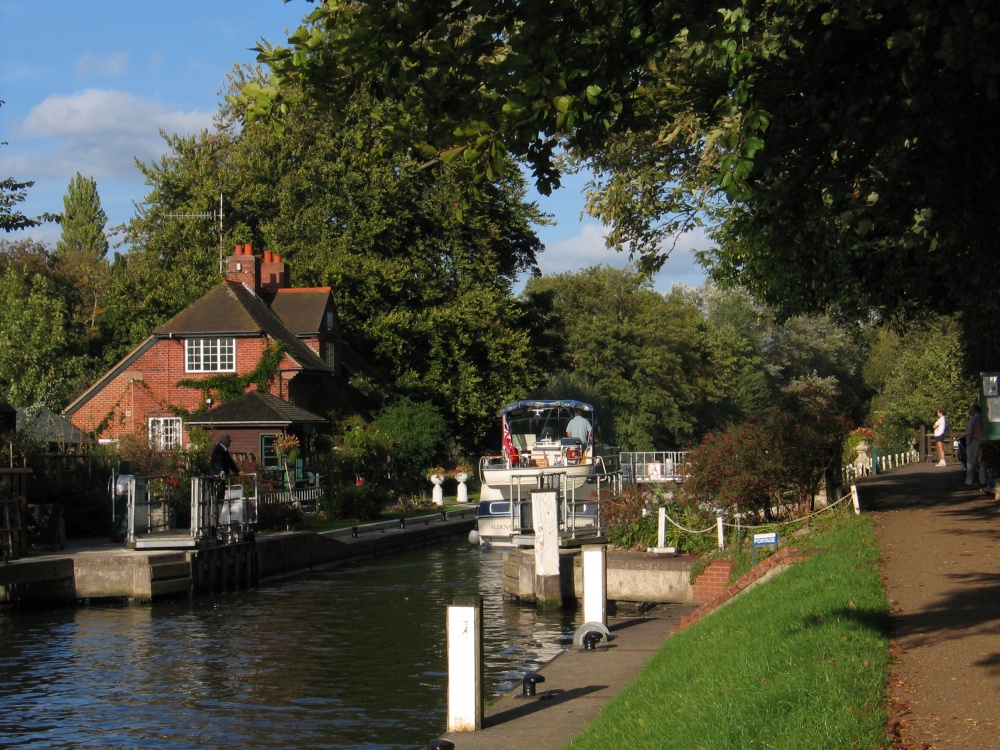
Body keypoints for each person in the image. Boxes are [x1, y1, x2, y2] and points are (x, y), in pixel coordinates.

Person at [965, 404, 985, 486]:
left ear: (974, 410)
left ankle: (969, 481)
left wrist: (968, 441)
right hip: (983, 440)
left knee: (971, 461)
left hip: (974, 440)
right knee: (982, 462)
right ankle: (983, 480)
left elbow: (970, 430)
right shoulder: (984, 418)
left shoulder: (973, 418)